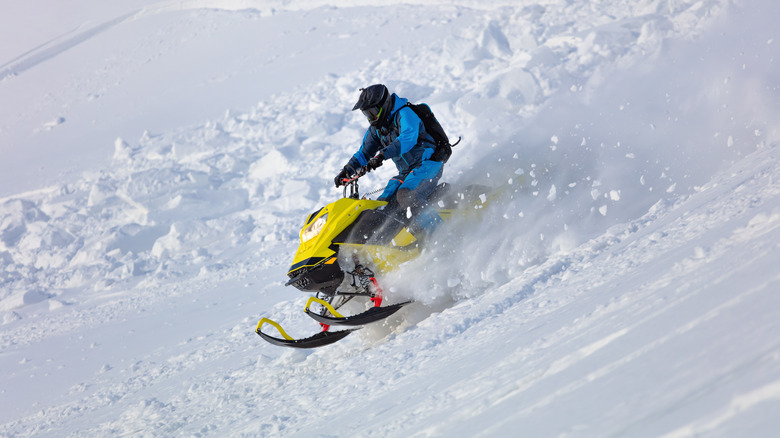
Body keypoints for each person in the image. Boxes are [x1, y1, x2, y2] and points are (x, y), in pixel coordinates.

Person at [334, 84, 444, 237]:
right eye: (367, 114)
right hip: (407, 173)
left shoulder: (405, 114)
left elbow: (407, 139)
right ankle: (381, 247)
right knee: (381, 206)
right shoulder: (377, 129)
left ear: (384, 105)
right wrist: (347, 170)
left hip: (428, 165)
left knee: (406, 195)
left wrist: (382, 155)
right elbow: (364, 153)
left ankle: (440, 234)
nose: (371, 118)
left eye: (373, 112)